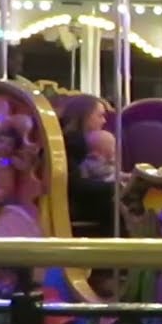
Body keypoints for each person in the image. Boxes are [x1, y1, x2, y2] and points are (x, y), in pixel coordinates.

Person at [59, 94, 116, 237]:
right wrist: (116, 187)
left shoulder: (77, 141)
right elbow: (74, 185)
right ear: (85, 116)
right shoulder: (73, 143)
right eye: (100, 116)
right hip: (75, 203)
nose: (103, 121)